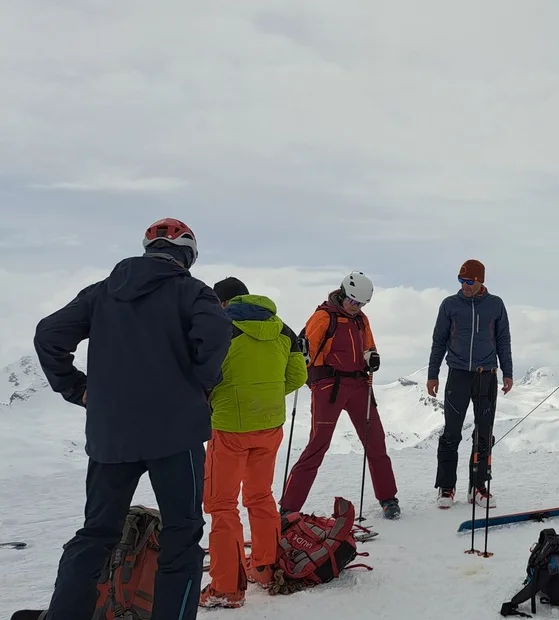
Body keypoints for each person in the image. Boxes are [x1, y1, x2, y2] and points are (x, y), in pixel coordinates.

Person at [31, 218, 231, 620]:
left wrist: (78, 389)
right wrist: (201, 384)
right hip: (175, 436)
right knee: (182, 535)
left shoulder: (102, 293)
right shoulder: (193, 292)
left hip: (111, 436)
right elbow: (216, 333)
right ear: (188, 255)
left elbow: (48, 334)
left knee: (96, 535)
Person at [198, 277, 308, 608]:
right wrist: (268, 395)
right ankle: (265, 568)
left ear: (222, 302)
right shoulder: (282, 328)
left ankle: (226, 587)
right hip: (271, 424)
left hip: (230, 426)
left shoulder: (220, 326)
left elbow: (203, 375)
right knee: (260, 497)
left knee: (222, 504)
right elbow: (299, 377)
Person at [278, 271, 401, 520]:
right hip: (329, 387)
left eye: (361, 304)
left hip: (359, 386)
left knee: (376, 442)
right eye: (353, 302)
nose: (356, 307)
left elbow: (369, 346)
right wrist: (304, 361)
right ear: (344, 294)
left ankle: (388, 498)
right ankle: (289, 508)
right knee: (317, 446)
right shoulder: (323, 317)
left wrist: (372, 357)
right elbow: (307, 352)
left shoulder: (361, 320)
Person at [427, 259, 514, 510]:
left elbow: (503, 340)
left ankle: (478, 487)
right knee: (451, 432)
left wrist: (507, 372)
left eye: (469, 281)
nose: (465, 285)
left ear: (480, 281)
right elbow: (438, 341)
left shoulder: (495, 305)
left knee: (484, 433)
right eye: (461, 281)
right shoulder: (450, 305)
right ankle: (446, 487)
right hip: (458, 374)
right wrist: (433, 374)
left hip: (487, 375)